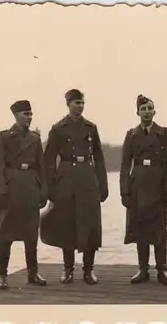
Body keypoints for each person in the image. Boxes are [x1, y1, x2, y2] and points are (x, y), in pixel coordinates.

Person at [40, 89, 108, 285]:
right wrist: (51, 188)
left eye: (82, 102)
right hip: (66, 178)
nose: (80, 106)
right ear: (68, 104)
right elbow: (49, 160)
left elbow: (99, 158)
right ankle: (68, 269)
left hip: (88, 177)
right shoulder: (58, 128)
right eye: (76, 102)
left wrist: (102, 186)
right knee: (66, 223)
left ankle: (88, 270)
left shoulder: (90, 128)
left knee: (91, 224)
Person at [0, 99, 48, 289]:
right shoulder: (4, 138)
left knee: (31, 235)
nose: (29, 118)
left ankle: (33, 273)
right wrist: (0, 192)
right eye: (25, 114)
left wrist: (43, 192)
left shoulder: (35, 139)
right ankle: (2, 275)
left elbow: (41, 167)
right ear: (16, 115)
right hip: (11, 190)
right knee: (5, 234)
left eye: (30, 114)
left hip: (30, 188)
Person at [119, 94, 167, 285]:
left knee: (159, 228)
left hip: (158, 187)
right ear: (137, 112)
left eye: (150, 108)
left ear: (155, 111)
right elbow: (124, 165)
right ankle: (142, 269)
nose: (146, 112)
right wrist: (125, 192)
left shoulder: (164, 134)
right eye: (143, 109)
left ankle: (162, 270)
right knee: (140, 228)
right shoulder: (131, 135)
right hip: (137, 187)